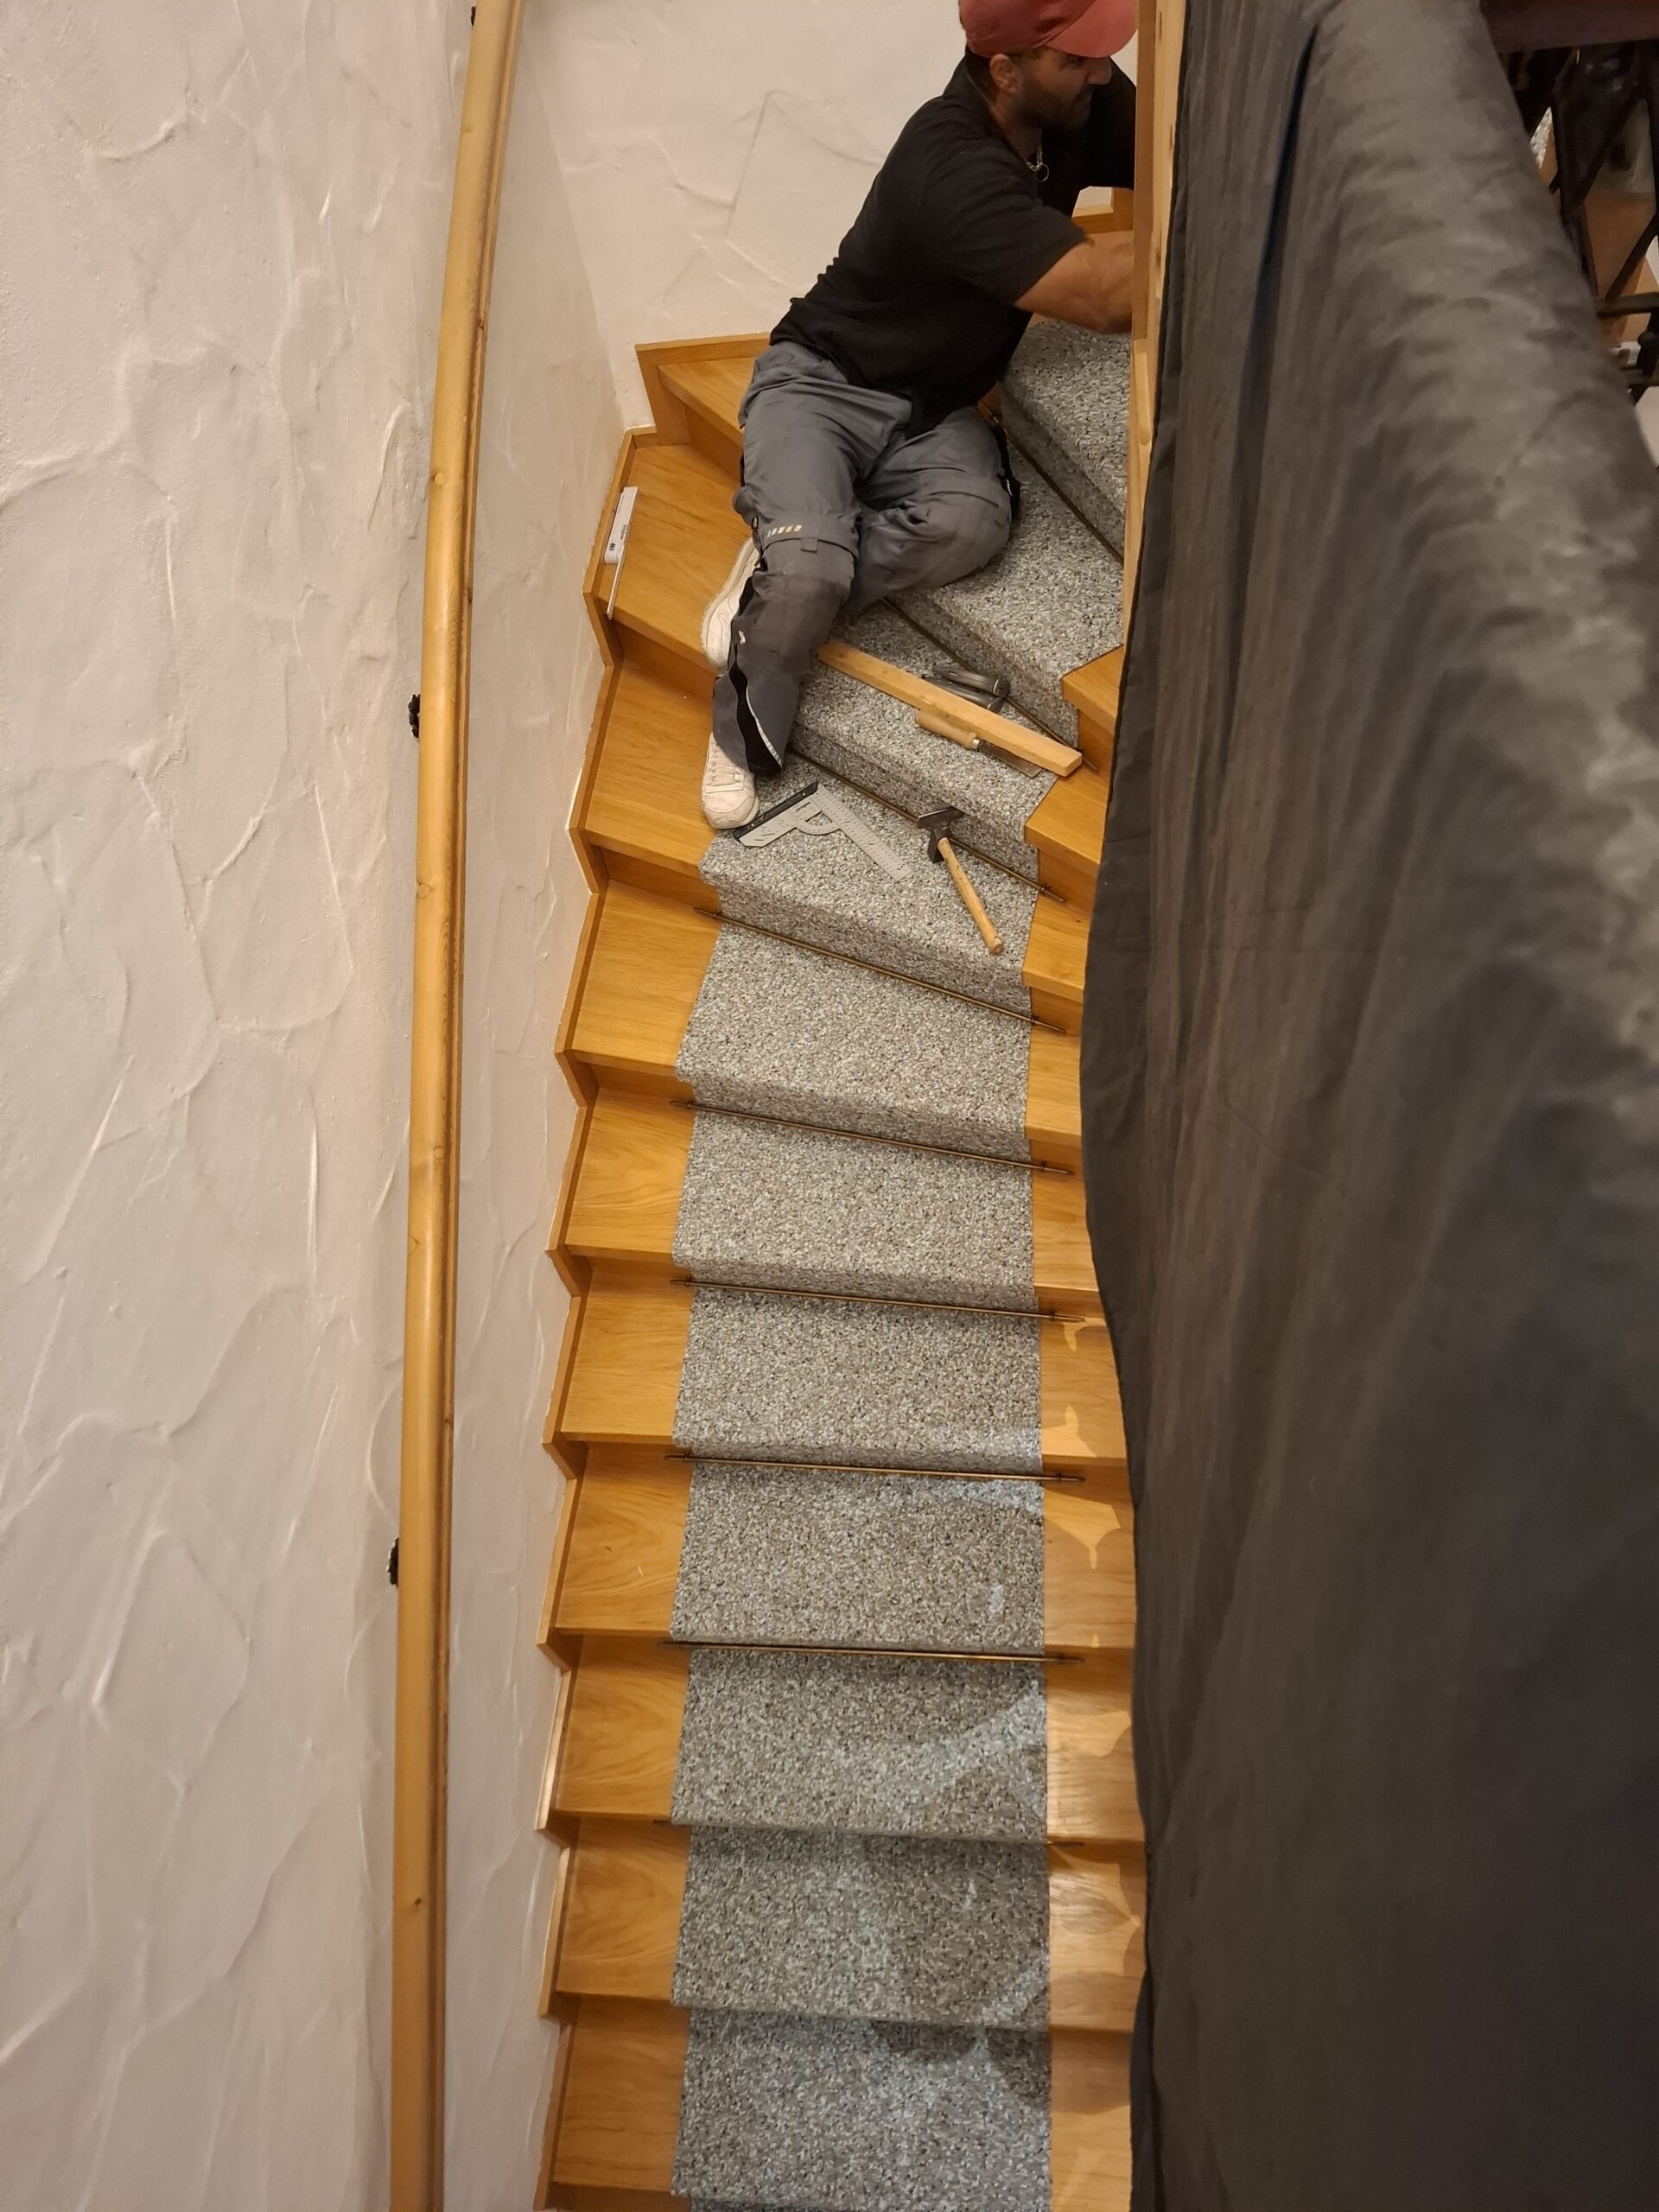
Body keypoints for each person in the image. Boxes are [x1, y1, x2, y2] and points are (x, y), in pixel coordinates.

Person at [699, 0, 1139, 829]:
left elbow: (1182, 159)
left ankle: (781, 572)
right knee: (813, 573)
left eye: (1098, 54)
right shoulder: (948, 165)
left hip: (934, 407)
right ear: (1005, 71)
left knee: (974, 523)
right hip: (823, 383)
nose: (1102, 73)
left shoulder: (1079, 105)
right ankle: (745, 721)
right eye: (1075, 59)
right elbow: (1101, 295)